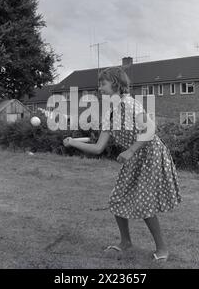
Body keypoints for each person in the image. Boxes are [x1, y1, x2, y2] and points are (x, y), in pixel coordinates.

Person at [63, 66, 181, 261]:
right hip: (134, 157)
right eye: (99, 84)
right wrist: (73, 142)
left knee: (144, 203)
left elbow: (151, 129)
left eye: (103, 83)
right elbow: (98, 147)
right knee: (117, 198)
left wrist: (130, 150)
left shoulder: (129, 104)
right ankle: (125, 242)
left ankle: (162, 249)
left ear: (116, 84)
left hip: (150, 154)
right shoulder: (110, 113)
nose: (99, 88)